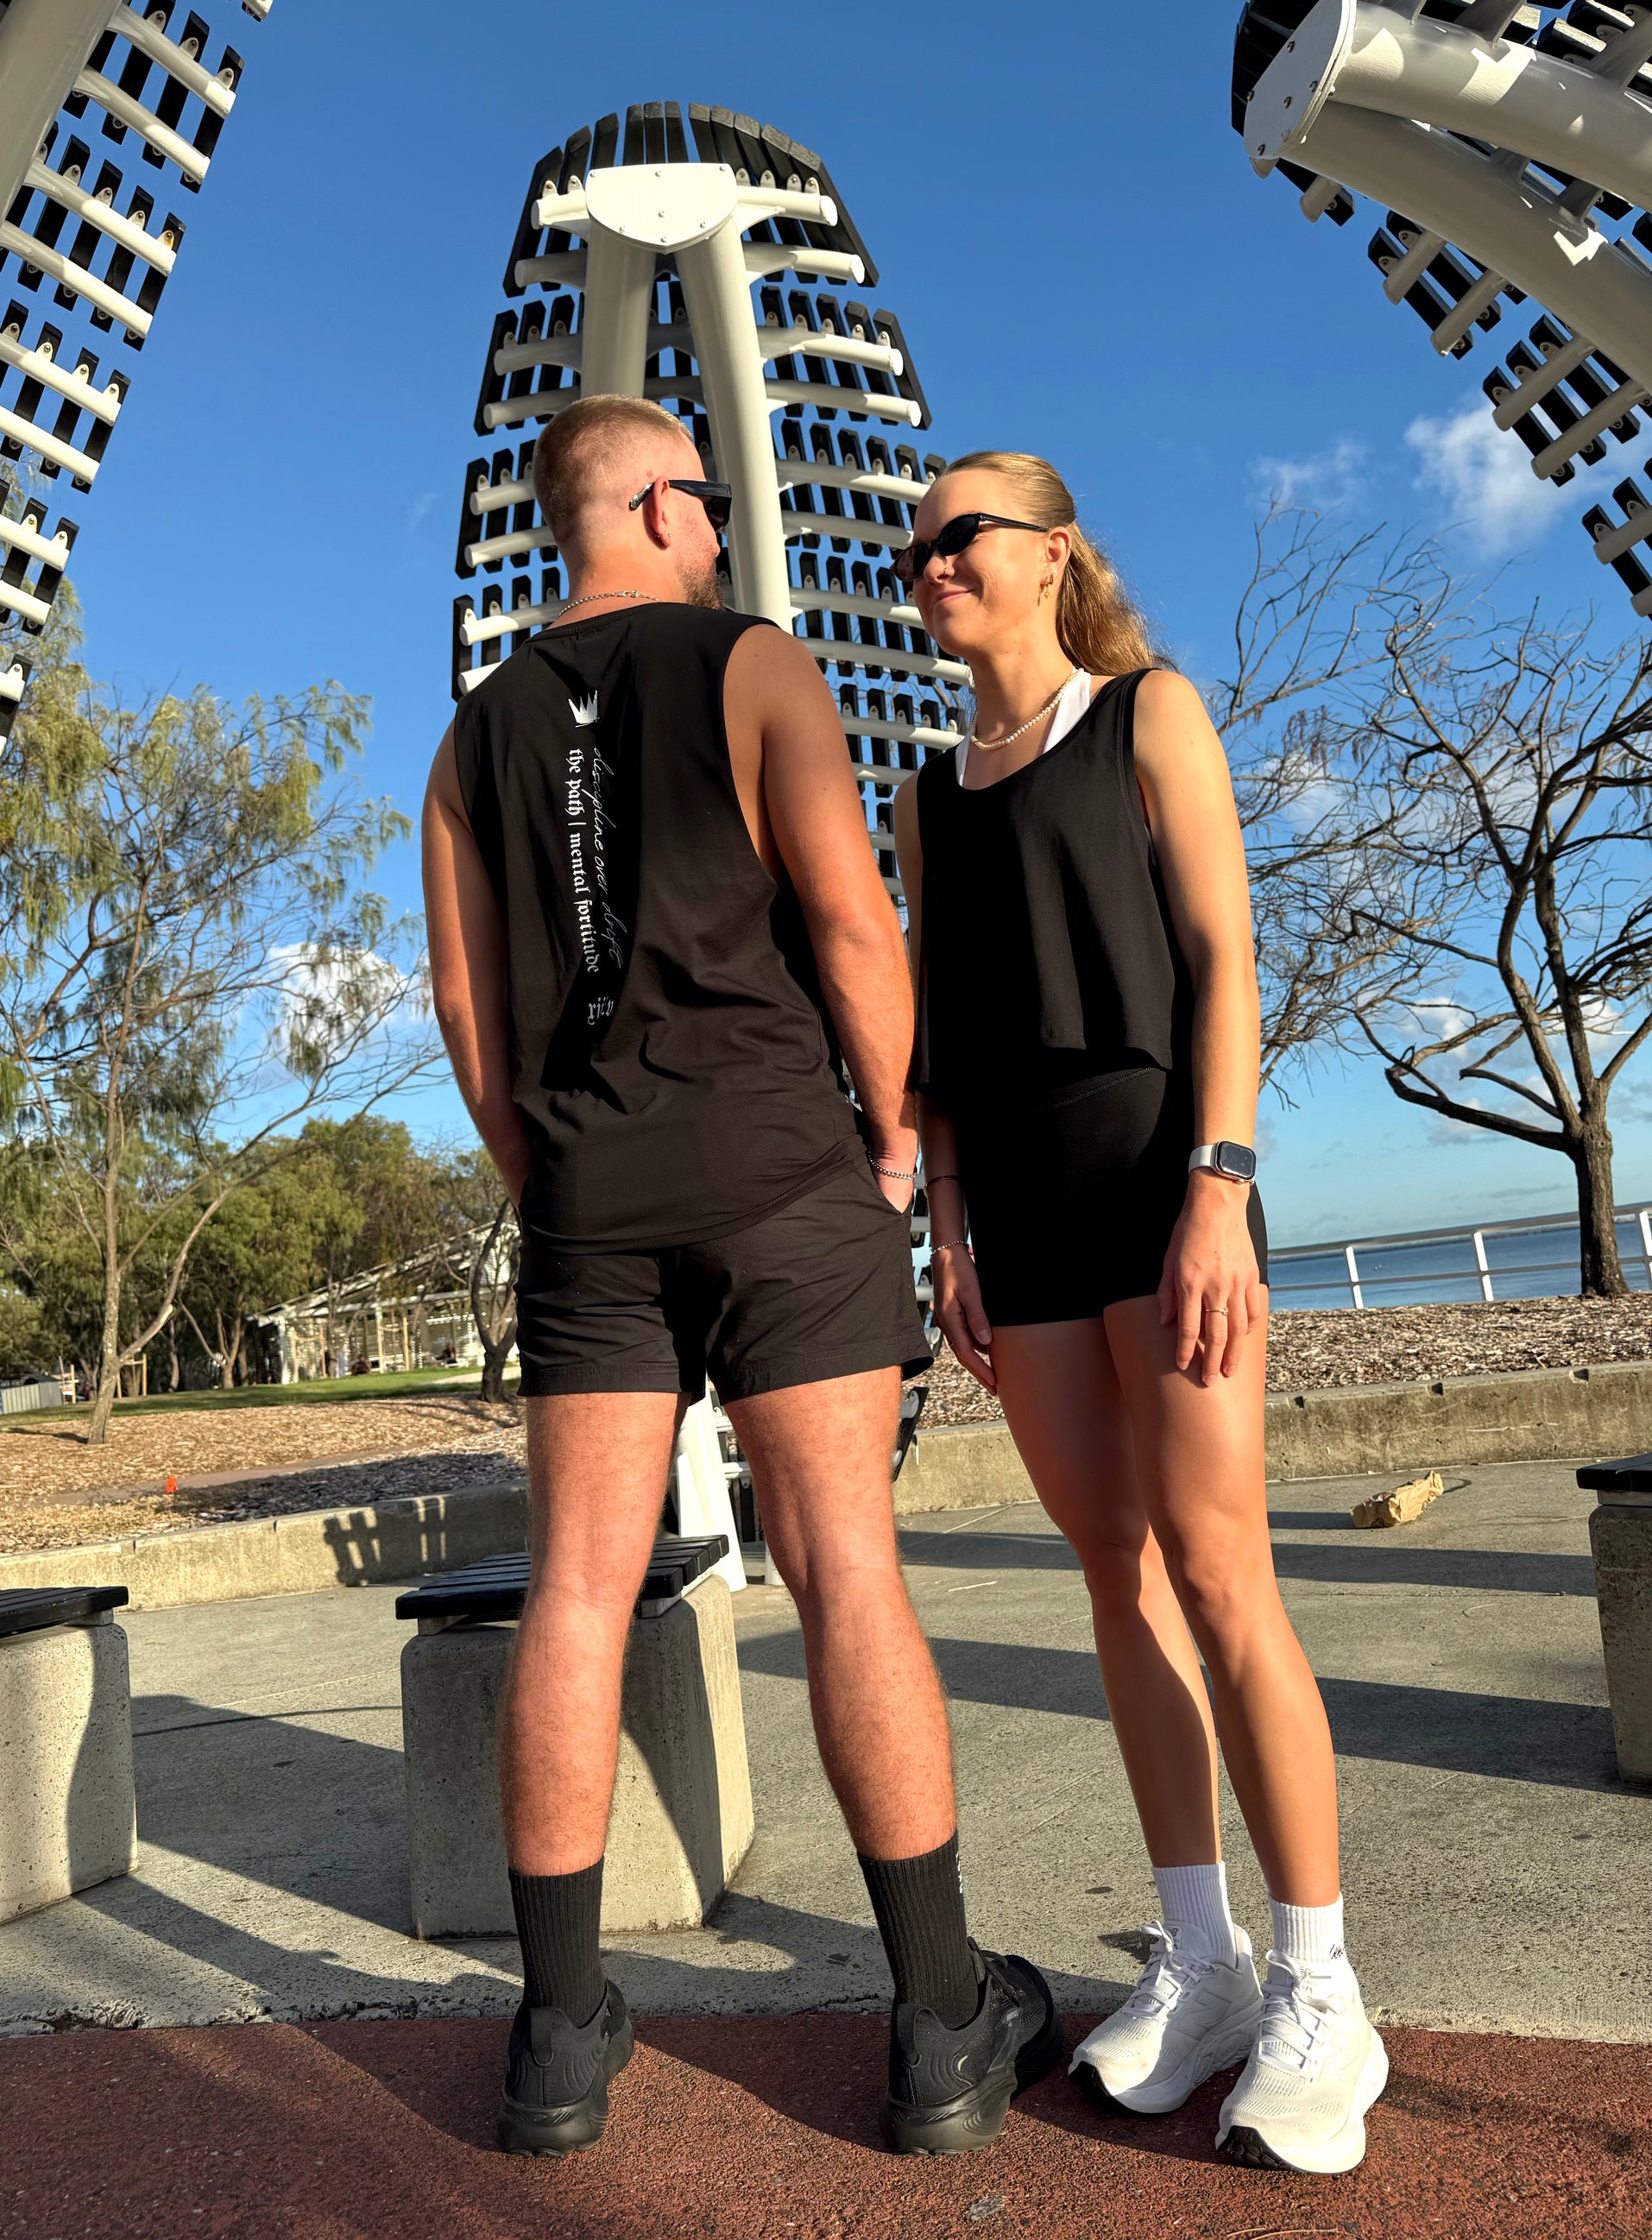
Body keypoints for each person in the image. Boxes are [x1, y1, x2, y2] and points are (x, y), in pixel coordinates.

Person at [421, 396, 1060, 2160]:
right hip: (780, 1169)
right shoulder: (757, 665)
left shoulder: (469, 739)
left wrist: (546, 1176)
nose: (715, 524)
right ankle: (938, 2020)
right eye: (701, 496)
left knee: (574, 1587)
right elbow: (853, 922)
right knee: (845, 1568)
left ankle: (558, 2034)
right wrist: (893, 1142)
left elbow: (469, 1008)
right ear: (652, 501)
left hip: (588, 1203)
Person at [893, 451, 1386, 2177]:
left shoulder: (1147, 713)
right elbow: (937, 1034)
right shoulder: (926, 794)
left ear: (1052, 553)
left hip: (1156, 1169)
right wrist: (947, 1230)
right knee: (1115, 1575)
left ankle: (1324, 1989)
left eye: (960, 535)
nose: (929, 561)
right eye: (915, 545)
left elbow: (1224, 959)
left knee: (1220, 1568)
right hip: (1017, 1215)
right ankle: (1204, 1961)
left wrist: (1219, 1189)